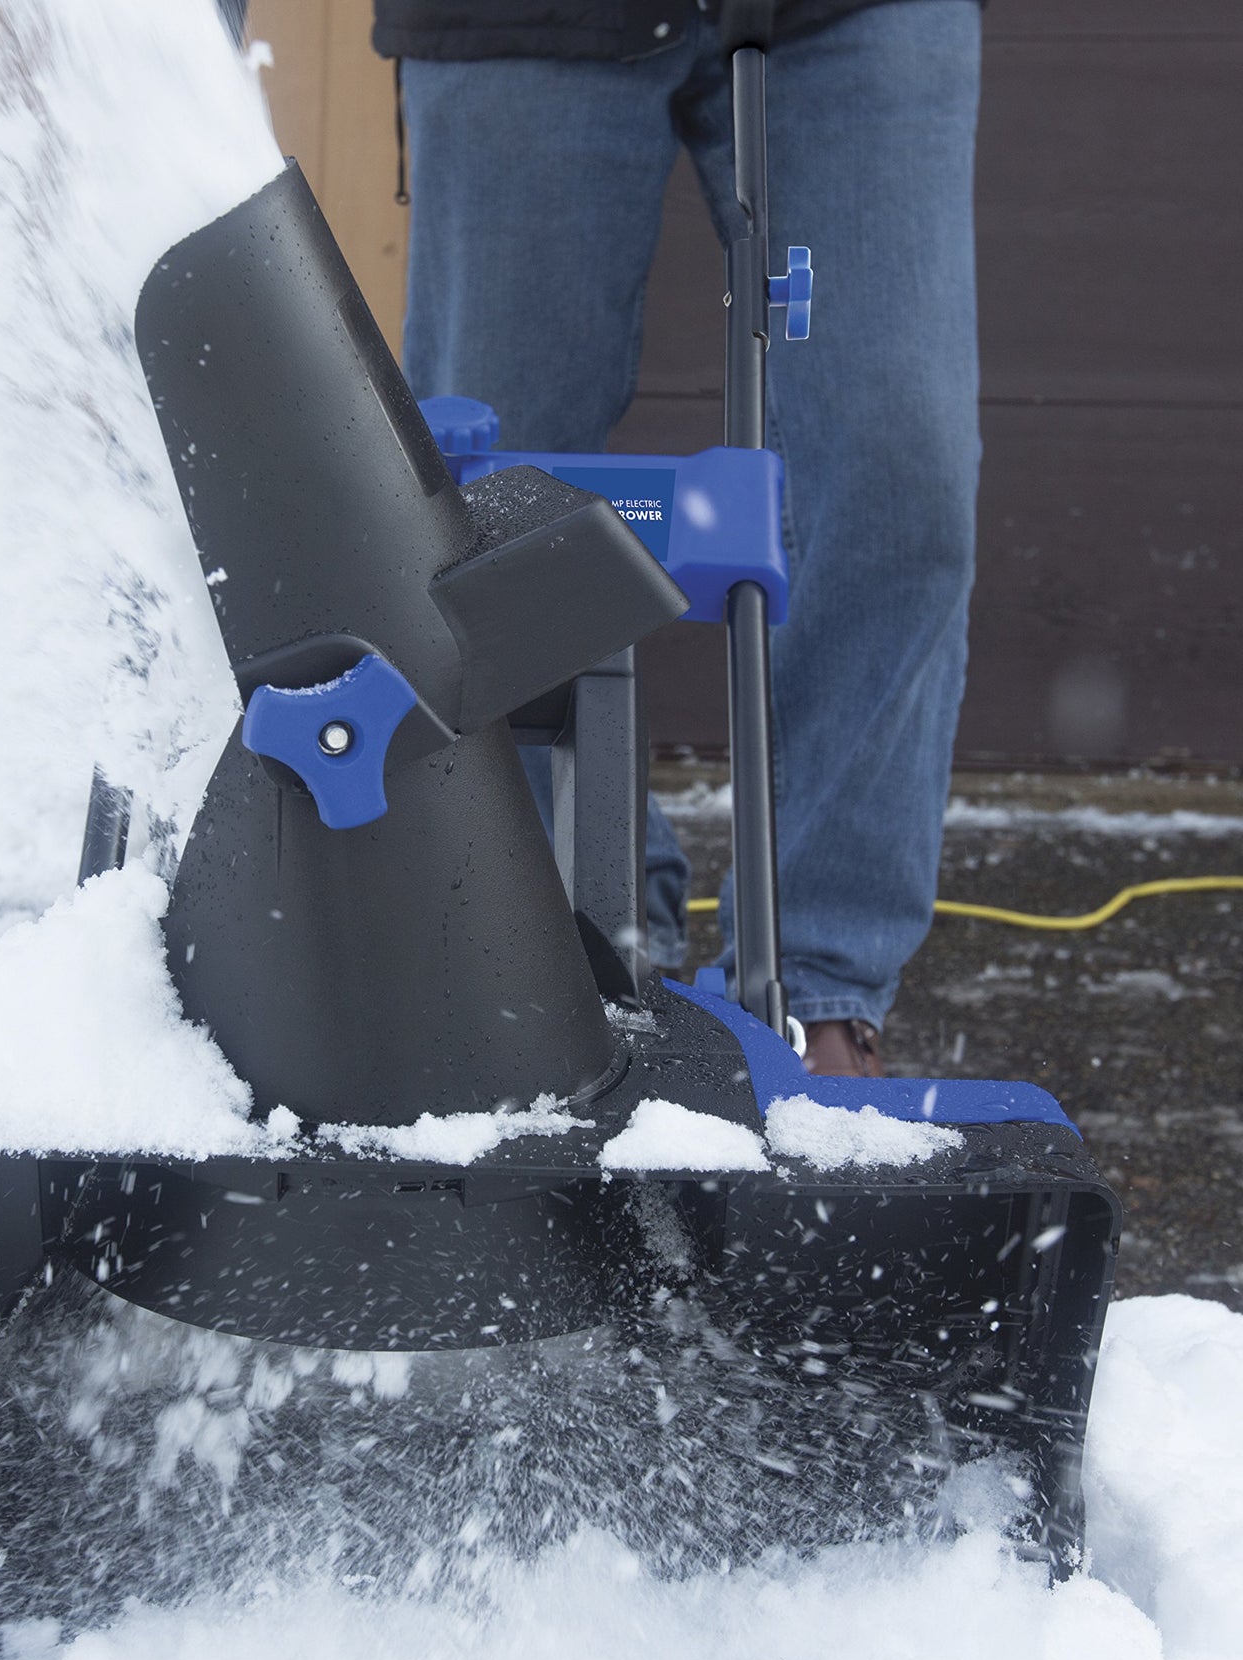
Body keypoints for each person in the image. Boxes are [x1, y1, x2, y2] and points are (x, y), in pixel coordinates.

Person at [375, 0, 983, 1077]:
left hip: (850, 20)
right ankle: (580, 944)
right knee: (486, 507)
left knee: (900, 478)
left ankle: (814, 985)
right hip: (518, 23)